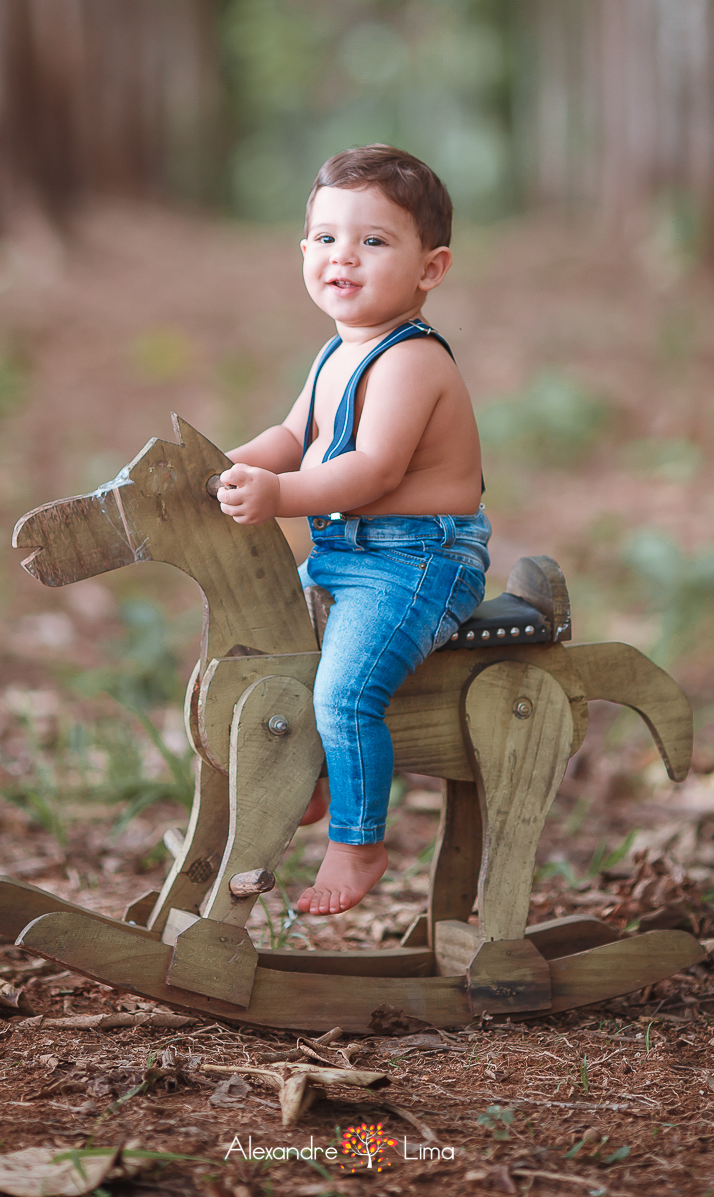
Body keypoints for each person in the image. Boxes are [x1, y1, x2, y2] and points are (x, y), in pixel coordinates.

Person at [216, 144, 489, 915]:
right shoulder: (337, 350)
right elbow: (292, 435)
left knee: (344, 691)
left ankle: (359, 841)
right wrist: (225, 466)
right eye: (327, 237)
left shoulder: (412, 361)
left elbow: (372, 471)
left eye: (373, 240)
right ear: (303, 249)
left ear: (430, 269)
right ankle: (311, 772)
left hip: (417, 562)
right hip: (346, 555)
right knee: (276, 650)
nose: (343, 255)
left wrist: (277, 495)